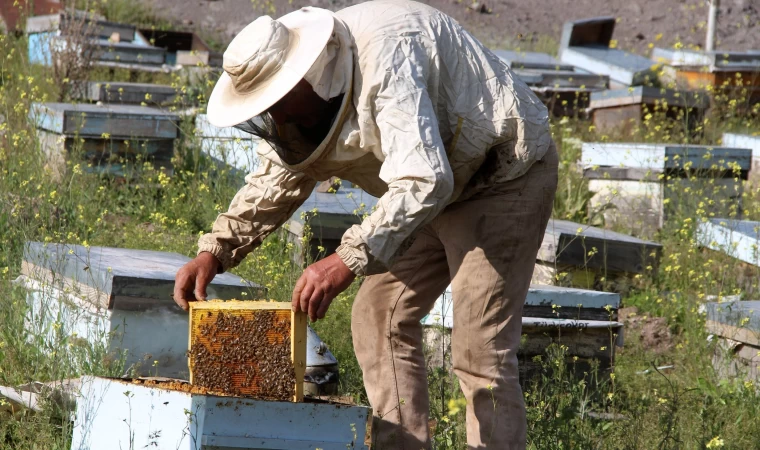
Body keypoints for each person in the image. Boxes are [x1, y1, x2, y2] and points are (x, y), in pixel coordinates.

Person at [173, 1, 558, 448]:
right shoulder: (303, 106)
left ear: (304, 76)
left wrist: (345, 259)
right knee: (378, 317)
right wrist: (215, 250)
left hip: (503, 173)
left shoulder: (386, 58)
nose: (277, 118)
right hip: (436, 186)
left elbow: (423, 179)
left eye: (278, 102)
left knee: (480, 353)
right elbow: (277, 178)